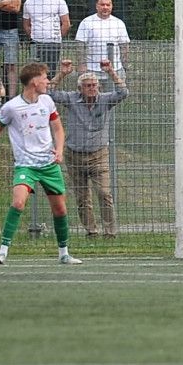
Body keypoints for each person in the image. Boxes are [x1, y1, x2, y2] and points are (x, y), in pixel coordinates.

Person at [0, 62, 82, 265]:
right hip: (25, 165)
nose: (47, 81)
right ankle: (2, 251)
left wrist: (59, 150)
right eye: (45, 78)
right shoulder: (12, 107)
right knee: (18, 202)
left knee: (60, 210)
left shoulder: (47, 102)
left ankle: (64, 252)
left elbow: (58, 130)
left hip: (48, 164)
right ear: (35, 82)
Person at [48, 58, 129, 238]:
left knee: (104, 192)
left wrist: (111, 72)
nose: (92, 88)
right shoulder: (71, 99)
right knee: (82, 196)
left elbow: (123, 92)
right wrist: (62, 73)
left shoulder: (105, 100)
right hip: (74, 154)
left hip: (98, 154)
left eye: (94, 85)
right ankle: (91, 231)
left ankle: (110, 232)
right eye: (88, 85)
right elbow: (49, 92)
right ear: (80, 89)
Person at [75, 0, 130, 80]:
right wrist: (81, 65)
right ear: (97, 6)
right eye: (102, 4)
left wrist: (124, 65)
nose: (105, 7)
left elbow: (124, 46)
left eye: (108, 5)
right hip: (92, 69)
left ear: (112, 7)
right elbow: (80, 45)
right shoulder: (86, 22)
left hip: (115, 70)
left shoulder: (119, 23)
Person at [22, 0, 70, 67]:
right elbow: (26, 25)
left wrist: (57, 37)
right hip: (35, 43)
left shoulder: (58, 1)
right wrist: (33, 36)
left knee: (50, 71)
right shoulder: (28, 3)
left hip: (53, 43)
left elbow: (66, 23)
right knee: (35, 71)